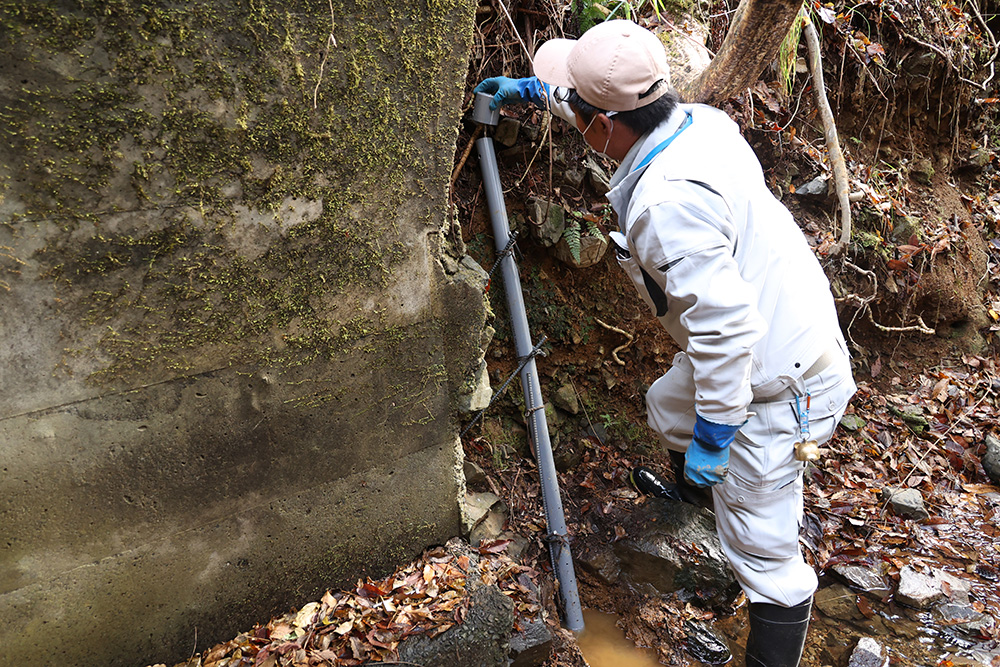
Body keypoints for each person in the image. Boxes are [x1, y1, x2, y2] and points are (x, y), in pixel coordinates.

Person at [474, 19, 856, 667]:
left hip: (779, 386)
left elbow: (726, 333)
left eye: (578, 104)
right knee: (668, 405)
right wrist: (536, 93)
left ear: (605, 124)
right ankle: (697, 500)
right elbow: (601, 112)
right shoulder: (698, 122)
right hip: (784, 327)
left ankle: (741, 541)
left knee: (769, 564)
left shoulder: (667, 205)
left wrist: (717, 435)